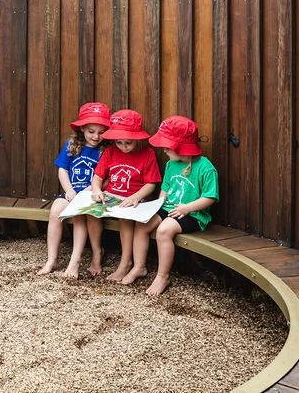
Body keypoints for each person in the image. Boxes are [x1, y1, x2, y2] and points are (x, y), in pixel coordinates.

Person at [122, 116, 219, 295]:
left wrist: (187, 208)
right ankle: (139, 267)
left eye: (167, 146)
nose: (164, 150)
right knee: (142, 224)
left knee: (163, 230)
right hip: (169, 208)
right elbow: (165, 190)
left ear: (181, 146)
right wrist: (156, 206)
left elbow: (210, 197)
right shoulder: (171, 164)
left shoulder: (205, 167)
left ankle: (162, 276)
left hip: (193, 214)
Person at [37, 102, 111, 277]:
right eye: (91, 131)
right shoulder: (72, 144)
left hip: (93, 193)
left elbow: (108, 177)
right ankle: (52, 259)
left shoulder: (106, 150)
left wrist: (93, 190)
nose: (96, 136)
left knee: (79, 214)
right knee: (56, 210)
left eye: (101, 132)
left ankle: (75, 261)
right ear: (83, 128)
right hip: (72, 192)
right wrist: (69, 190)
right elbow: (62, 169)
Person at [89, 109, 161, 282]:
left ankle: (125, 264)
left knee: (125, 218)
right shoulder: (111, 152)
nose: (123, 147)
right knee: (91, 212)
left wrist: (136, 196)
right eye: (119, 142)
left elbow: (151, 184)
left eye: (128, 142)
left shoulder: (147, 154)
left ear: (138, 138)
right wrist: (97, 190)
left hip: (135, 199)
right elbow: (97, 177)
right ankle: (96, 253)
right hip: (111, 196)